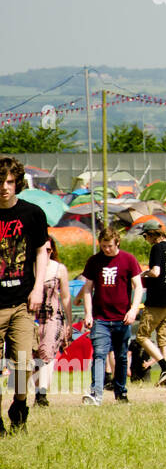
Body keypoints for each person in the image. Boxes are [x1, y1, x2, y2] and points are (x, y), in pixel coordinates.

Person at [0, 156, 48, 430]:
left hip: (22, 302)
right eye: (0, 182)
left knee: (22, 363)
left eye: (9, 182)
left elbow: (42, 250)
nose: (5, 187)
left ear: (17, 182)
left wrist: (38, 287)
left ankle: (19, 404)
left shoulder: (32, 213)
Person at [78, 227, 143, 406]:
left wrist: (134, 310)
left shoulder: (128, 259)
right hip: (100, 319)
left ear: (117, 243)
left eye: (109, 246)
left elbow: (138, 286)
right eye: (103, 246)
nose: (106, 249)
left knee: (121, 356)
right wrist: (88, 314)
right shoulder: (94, 261)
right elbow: (87, 290)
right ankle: (96, 394)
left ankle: (121, 392)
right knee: (99, 355)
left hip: (123, 318)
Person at [135, 220, 166, 386]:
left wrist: (142, 274)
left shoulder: (157, 248)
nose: (145, 239)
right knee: (163, 340)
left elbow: (155, 272)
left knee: (142, 336)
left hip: (157, 300)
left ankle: (165, 367)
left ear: (153, 234)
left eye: (145, 236)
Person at [33, 236, 71, 407]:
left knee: (47, 353)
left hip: (53, 317)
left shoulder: (59, 269)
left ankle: (41, 395)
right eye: (43, 250)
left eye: (49, 250)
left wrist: (68, 322)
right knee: (33, 359)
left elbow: (66, 297)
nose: (46, 254)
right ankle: (37, 391)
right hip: (33, 318)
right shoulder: (29, 269)